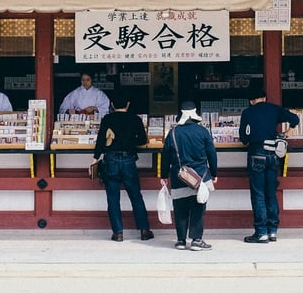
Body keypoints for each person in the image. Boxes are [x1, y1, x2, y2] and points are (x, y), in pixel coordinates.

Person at [238, 80, 300, 243]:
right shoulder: (274, 109)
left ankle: (261, 232)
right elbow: (295, 118)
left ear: (251, 101)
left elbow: (244, 138)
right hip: (273, 155)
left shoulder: (247, 113)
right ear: (264, 97)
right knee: (270, 194)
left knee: (258, 194)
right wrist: (286, 133)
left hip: (256, 154)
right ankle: (272, 231)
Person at [93, 97, 154, 242]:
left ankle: (118, 233)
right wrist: (129, 142)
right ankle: (144, 230)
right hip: (128, 160)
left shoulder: (107, 119)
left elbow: (101, 139)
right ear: (128, 104)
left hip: (111, 159)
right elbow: (143, 140)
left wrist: (95, 158)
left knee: (113, 197)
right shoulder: (135, 119)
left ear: (112, 105)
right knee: (135, 195)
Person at [161, 100, 217, 251]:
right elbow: (211, 153)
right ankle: (197, 240)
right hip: (201, 176)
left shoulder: (173, 133)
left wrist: (163, 174)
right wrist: (214, 173)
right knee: (199, 207)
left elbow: (165, 155)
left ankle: (180, 241)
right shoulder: (203, 131)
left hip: (179, 176)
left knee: (179, 208)